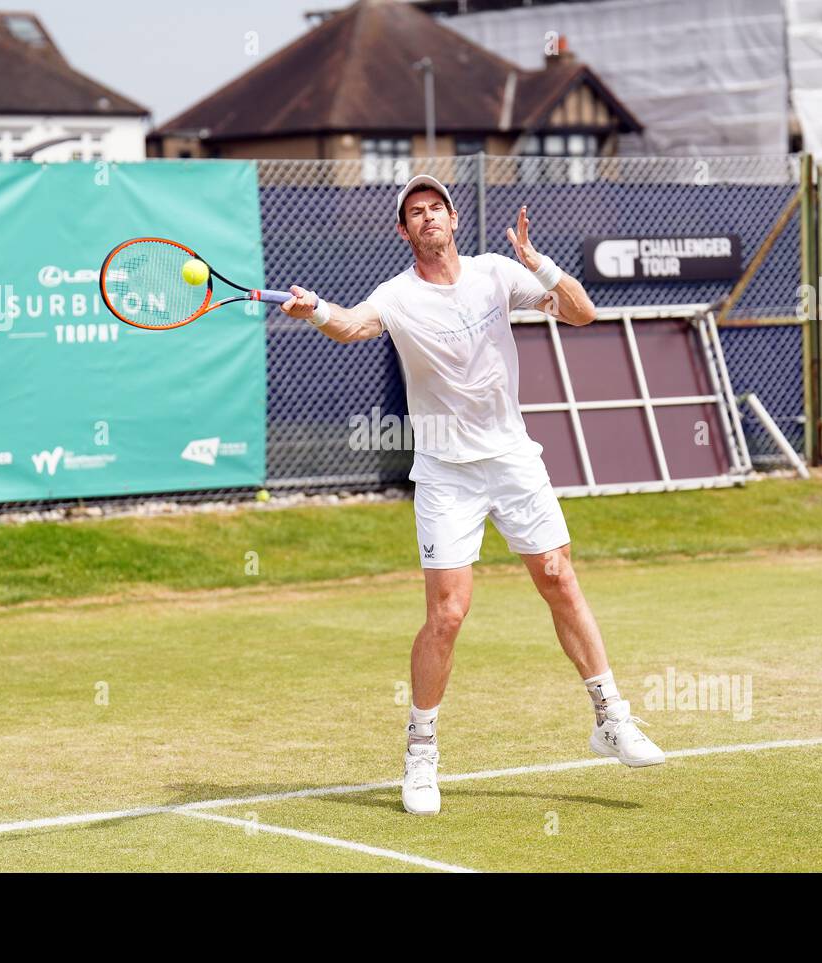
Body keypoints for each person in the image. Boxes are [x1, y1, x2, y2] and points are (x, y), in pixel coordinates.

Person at [279, 174, 664, 816]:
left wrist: (538, 264)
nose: (428, 218)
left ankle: (611, 719)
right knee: (448, 614)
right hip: (445, 472)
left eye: (436, 208)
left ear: (453, 219)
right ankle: (421, 756)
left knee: (559, 578)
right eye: (415, 213)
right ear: (403, 231)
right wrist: (314, 309)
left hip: (512, 457)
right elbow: (349, 326)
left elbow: (582, 312)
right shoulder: (396, 296)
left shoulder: (496, 273)